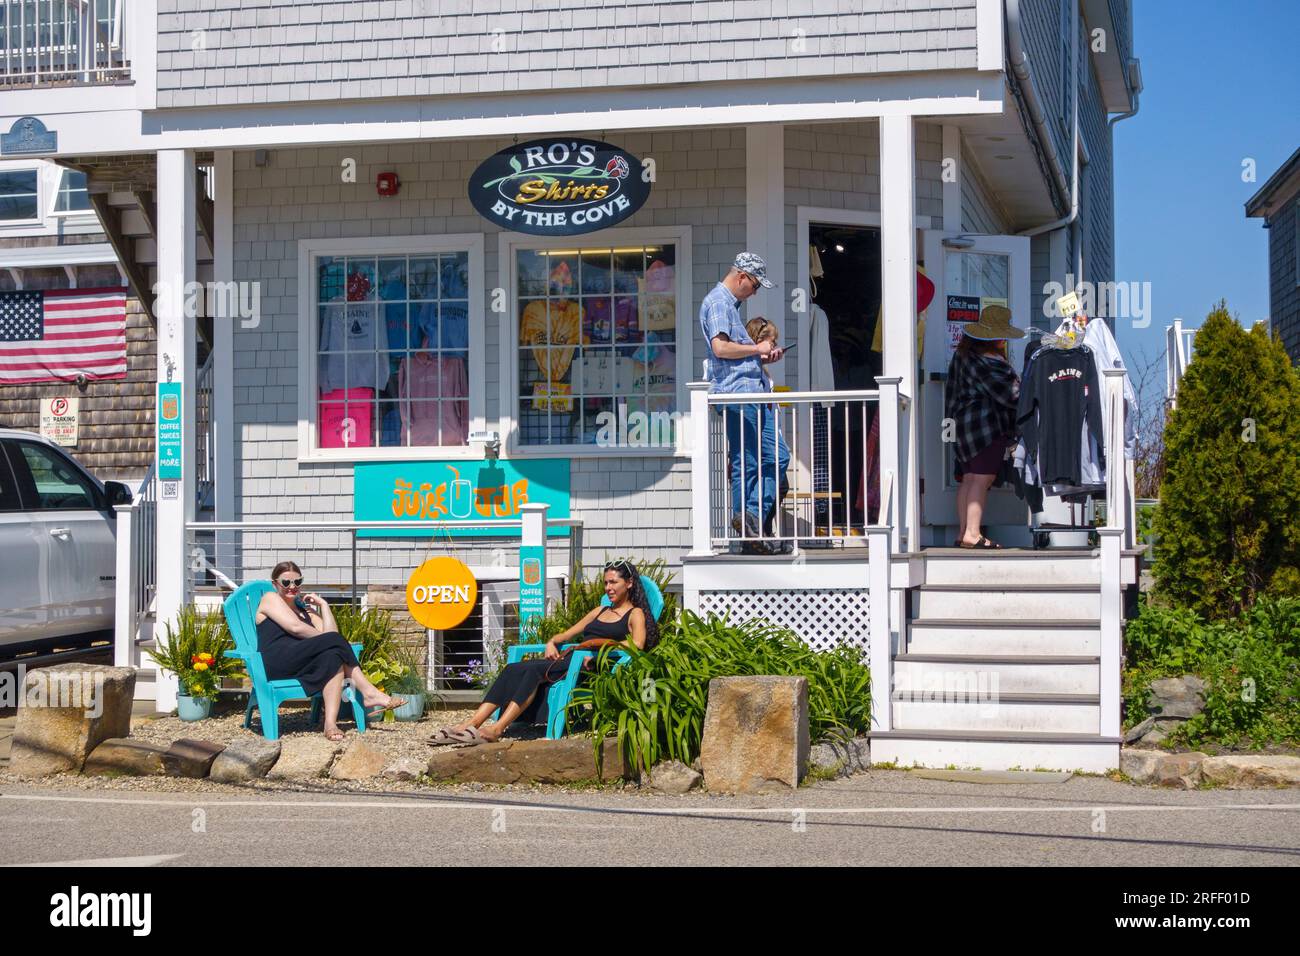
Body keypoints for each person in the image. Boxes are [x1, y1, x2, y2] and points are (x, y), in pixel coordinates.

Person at [428, 561, 660, 746]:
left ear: (629, 583)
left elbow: (636, 646)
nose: (608, 588)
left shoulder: (635, 613)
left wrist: (599, 652)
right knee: (513, 668)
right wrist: (551, 642)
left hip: (592, 669)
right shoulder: (600, 610)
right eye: (605, 583)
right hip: (570, 660)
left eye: (613, 582)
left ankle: (498, 729)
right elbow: (564, 636)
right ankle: (473, 723)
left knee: (532, 671)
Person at [699, 252, 790, 555]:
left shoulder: (730, 306)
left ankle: (751, 519)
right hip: (738, 395)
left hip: (752, 394)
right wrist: (757, 347)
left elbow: (736, 353)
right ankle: (749, 528)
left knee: (776, 457)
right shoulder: (719, 303)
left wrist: (762, 355)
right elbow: (720, 347)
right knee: (747, 463)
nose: (755, 292)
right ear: (741, 277)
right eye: (755, 285)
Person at [254, 561, 406, 741]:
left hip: (301, 662)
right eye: (286, 582)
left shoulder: (305, 610)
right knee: (334, 643)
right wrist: (327, 639)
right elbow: (295, 628)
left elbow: (332, 634)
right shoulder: (270, 598)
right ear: (275, 584)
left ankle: (330, 724)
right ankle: (369, 693)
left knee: (333, 655)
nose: (292, 587)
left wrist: (323, 605)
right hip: (278, 662)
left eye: (297, 582)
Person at [943, 304, 1024, 549]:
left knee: (968, 478)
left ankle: (963, 532)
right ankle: (973, 533)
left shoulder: (962, 355)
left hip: (962, 424)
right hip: (985, 426)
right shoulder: (990, 362)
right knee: (982, 480)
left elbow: (952, 390)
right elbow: (1011, 395)